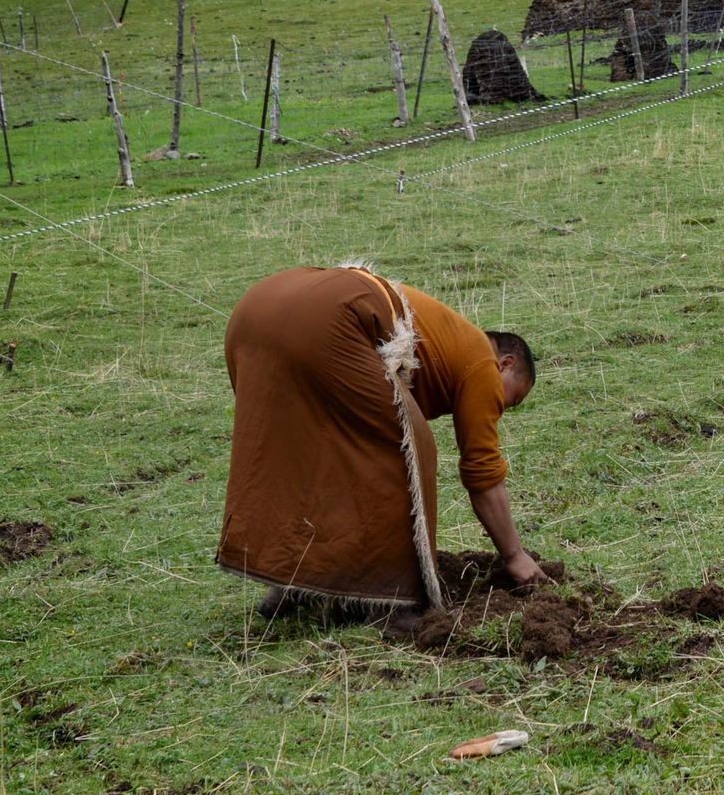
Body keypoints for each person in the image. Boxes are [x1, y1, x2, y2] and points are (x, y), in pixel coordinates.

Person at [215, 263, 543, 634]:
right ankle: (393, 602)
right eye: (509, 400)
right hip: (324, 318)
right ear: (506, 363)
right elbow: (481, 470)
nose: (498, 409)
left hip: (254, 314)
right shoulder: (482, 361)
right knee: (406, 452)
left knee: (316, 452)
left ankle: (293, 583)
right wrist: (514, 556)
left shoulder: (446, 342)